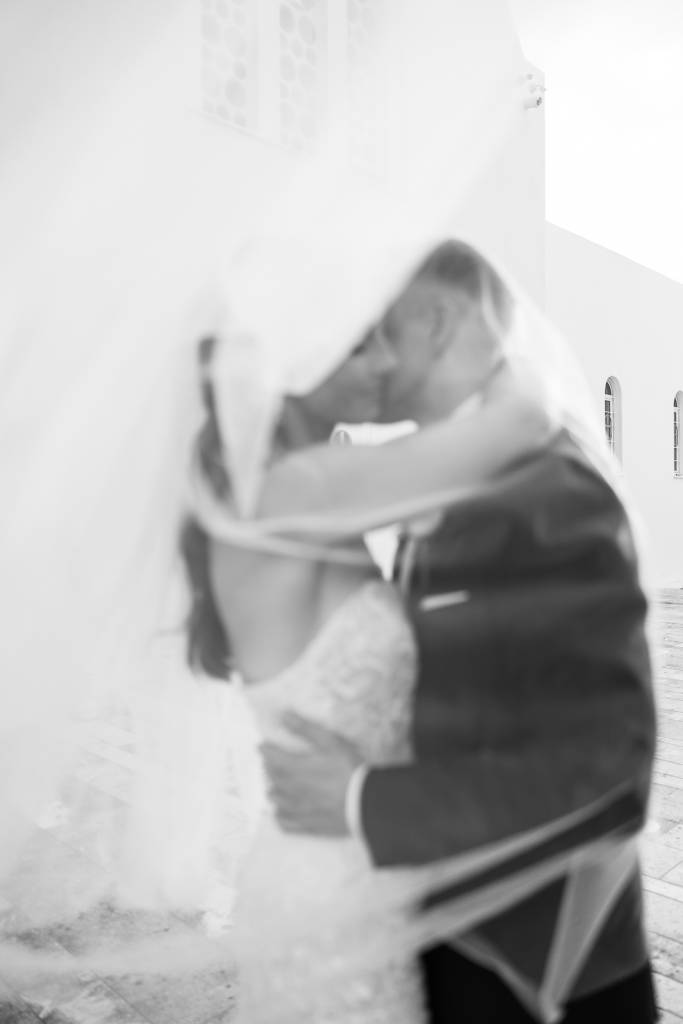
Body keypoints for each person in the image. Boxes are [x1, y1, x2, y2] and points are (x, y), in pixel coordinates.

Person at [184, 240, 656, 1024]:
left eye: (383, 332)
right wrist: (522, 390)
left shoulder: (545, 488)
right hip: (370, 907)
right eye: (355, 339)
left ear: (436, 322)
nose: (374, 359)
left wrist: (364, 800)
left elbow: (606, 772)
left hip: (538, 968)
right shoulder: (325, 487)